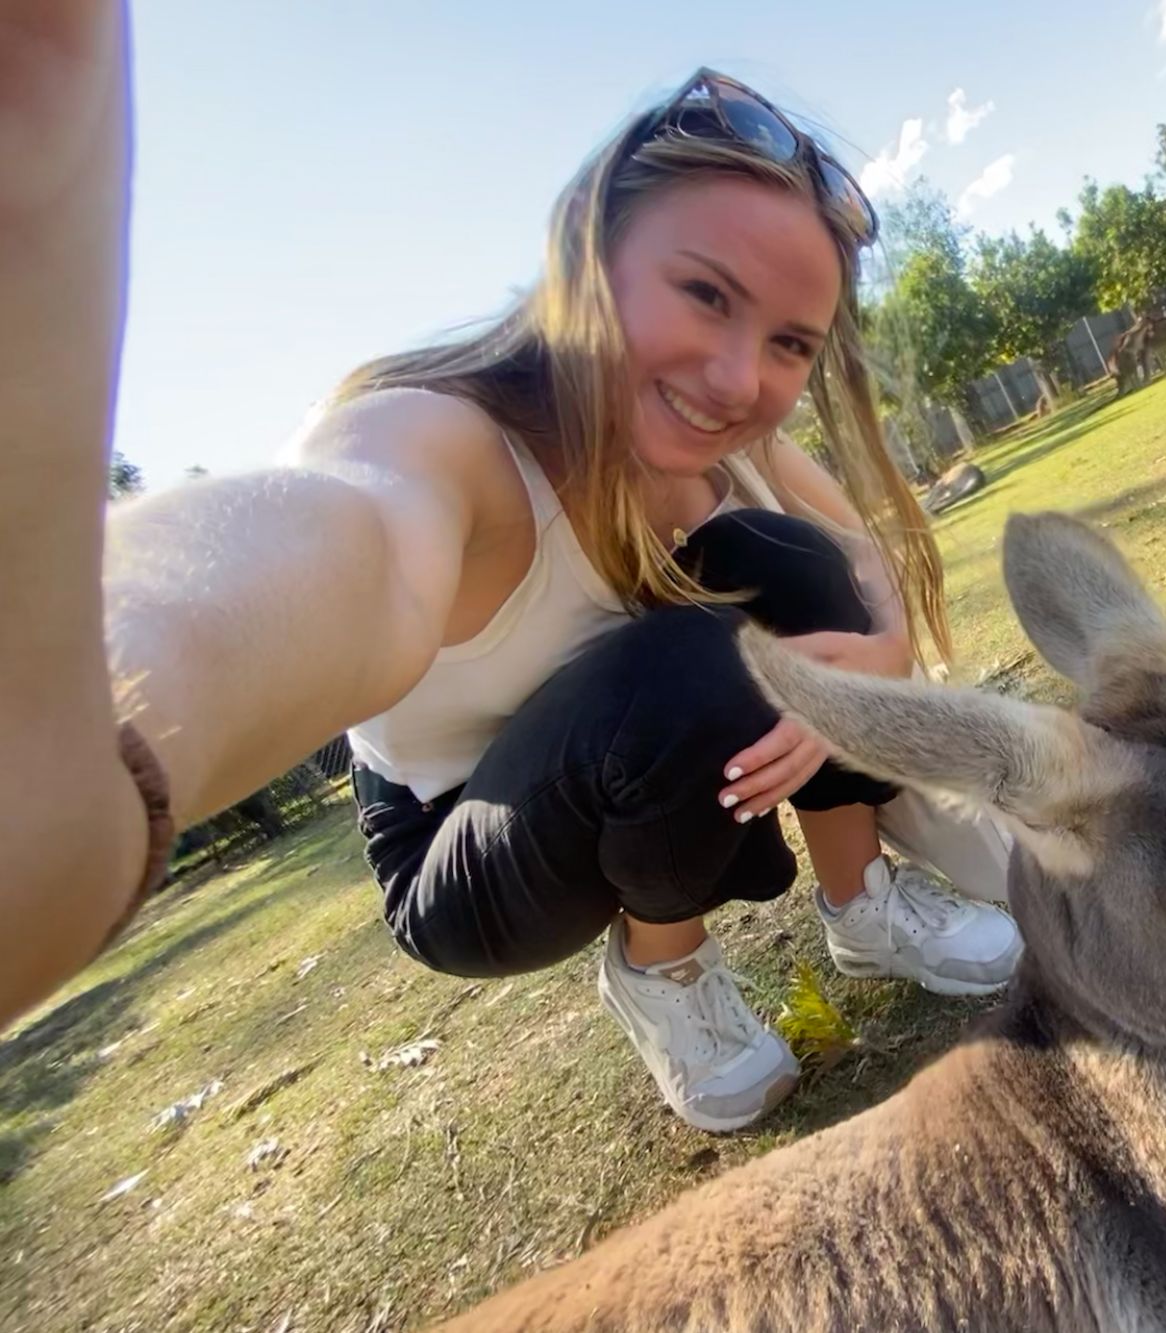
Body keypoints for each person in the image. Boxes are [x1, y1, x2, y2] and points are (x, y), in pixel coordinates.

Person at [14, 61, 1026, 1135]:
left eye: (786, 343)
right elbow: (340, 536)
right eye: (703, 294)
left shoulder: (713, 439)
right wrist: (90, 723)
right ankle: (664, 977)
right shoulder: (441, 439)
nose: (738, 379)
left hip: (626, 751)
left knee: (791, 561)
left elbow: (860, 562)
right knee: (685, 667)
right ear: (588, 261)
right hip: (463, 845)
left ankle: (861, 899)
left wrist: (874, 652)